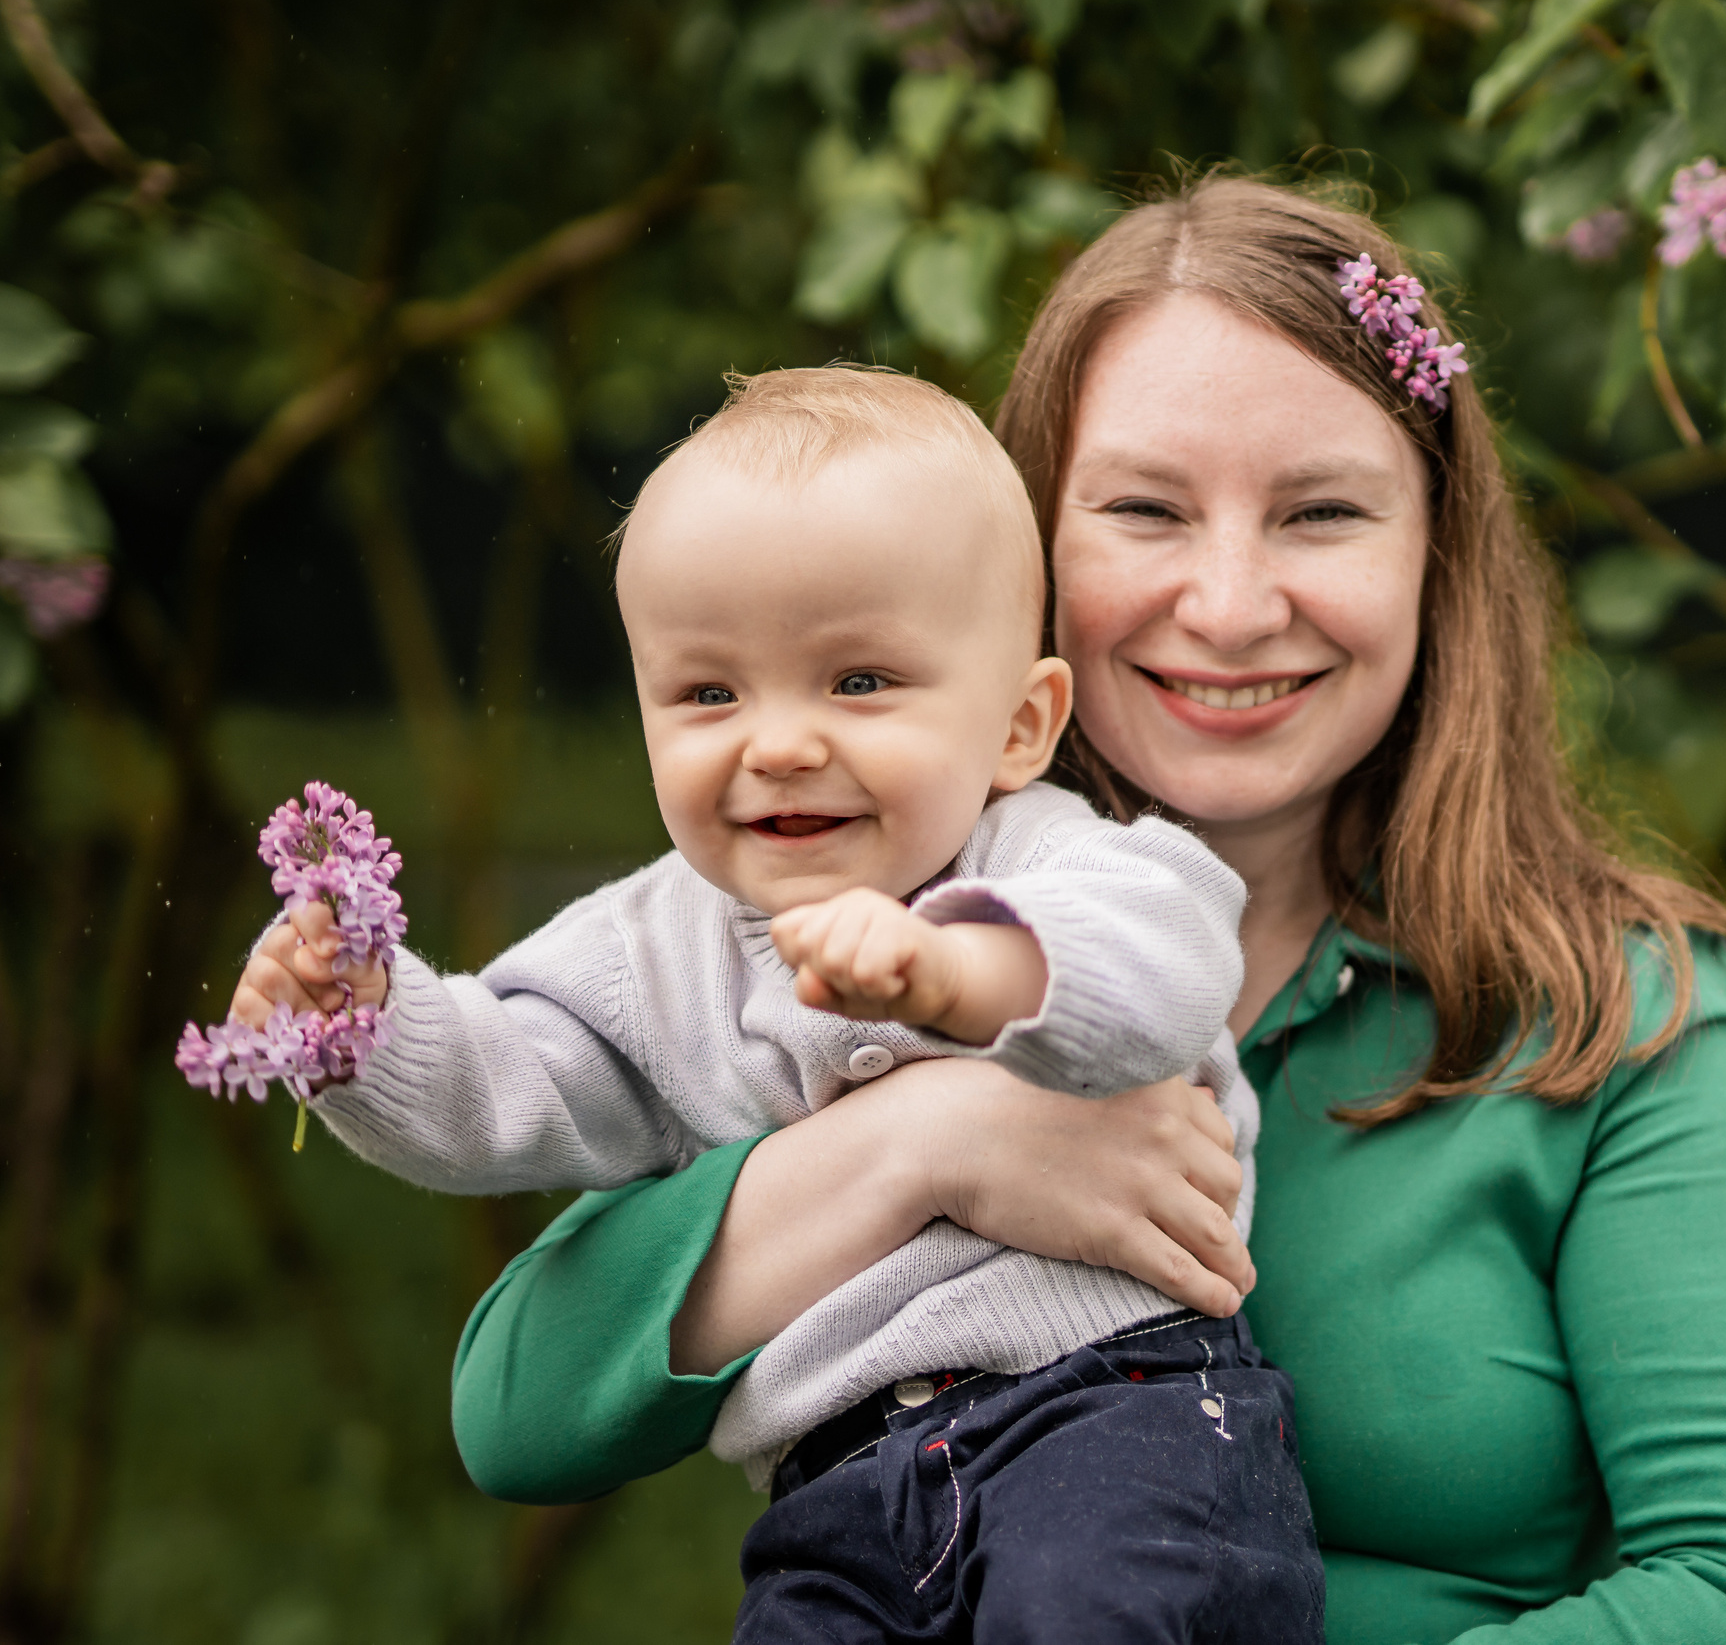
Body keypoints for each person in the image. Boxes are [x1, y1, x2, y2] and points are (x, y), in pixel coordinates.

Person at [451, 178, 1726, 1645]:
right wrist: (926, 1142)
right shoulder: (861, 929)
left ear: (1433, 552)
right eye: (1144, 509)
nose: (1229, 600)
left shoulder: (1607, 1007)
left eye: (1322, 511)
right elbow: (517, 1410)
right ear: (1022, 559)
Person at [222, 366, 1323, 1642]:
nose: (777, 742)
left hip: (1115, 1418)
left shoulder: (1047, 860)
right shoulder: (653, 945)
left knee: (1089, 1615)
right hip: (839, 1483)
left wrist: (961, 971)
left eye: (857, 683)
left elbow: (1162, 959)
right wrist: (361, 1023)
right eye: (707, 693)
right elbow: (510, 1083)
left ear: (1020, 725)